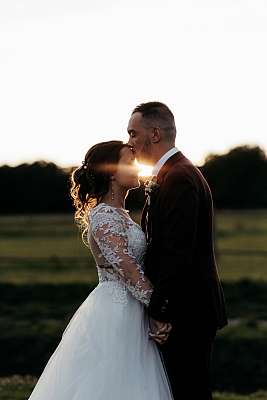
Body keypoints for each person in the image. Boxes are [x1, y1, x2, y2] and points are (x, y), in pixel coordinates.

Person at [27, 140, 173, 400]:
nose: (137, 167)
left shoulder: (121, 214)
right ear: (112, 172)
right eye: (130, 162)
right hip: (116, 312)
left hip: (133, 308)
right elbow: (128, 270)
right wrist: (161, 309)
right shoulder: (104, 216)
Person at [127, 101, 228, 400]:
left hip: (186, 311)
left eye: (133, 133)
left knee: (188, 390)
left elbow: (177, 254)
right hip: (186, 307)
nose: (129, 142)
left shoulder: (179, 178)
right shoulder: (171, 174)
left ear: (155, 133)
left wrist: (161, 311)